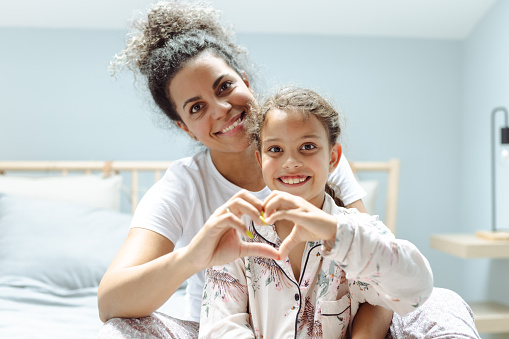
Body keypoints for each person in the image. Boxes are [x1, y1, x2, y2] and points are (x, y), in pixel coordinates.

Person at [98, 1, 480, 338]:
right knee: (121, 329)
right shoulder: (193, 195)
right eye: (196, 107)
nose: (221, 109)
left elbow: (381, 273)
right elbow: (112, 300)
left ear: (331, 157)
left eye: (225, 86)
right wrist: (197, 255)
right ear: (183, 126)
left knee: (442, 301)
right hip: (222, 324)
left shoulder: (330, 187)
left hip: (346, 324)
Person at [199, 87, 433, 338]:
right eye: (275, 150)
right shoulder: (239, 232)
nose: (290, 162)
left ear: (333, 157)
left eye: (308, 146)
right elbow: (220, 326)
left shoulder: (358, 231)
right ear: (260, 160)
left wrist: (334, 232)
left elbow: (417, 291)